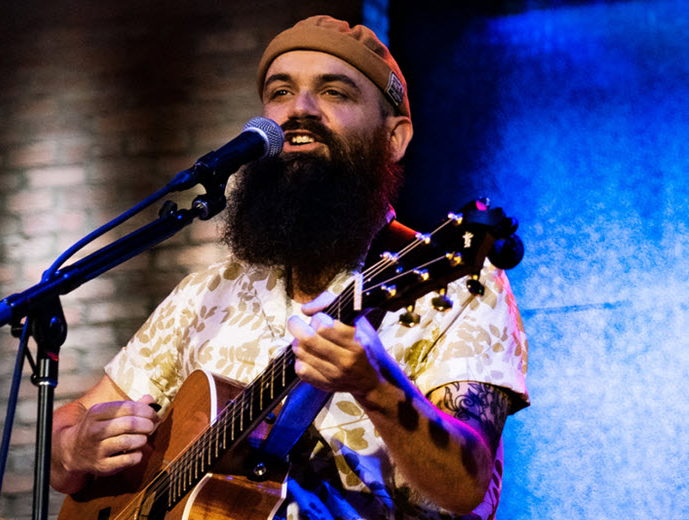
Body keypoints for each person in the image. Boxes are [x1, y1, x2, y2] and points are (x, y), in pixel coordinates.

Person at [50, 15, 529, 520]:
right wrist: (70, 449)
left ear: (395, 138)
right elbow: (71, 425)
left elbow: (465, 486)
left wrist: (378, 387)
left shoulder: (460, 285)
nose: (300, 109)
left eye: (335, 93)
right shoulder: (206, 294)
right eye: (281, 92)